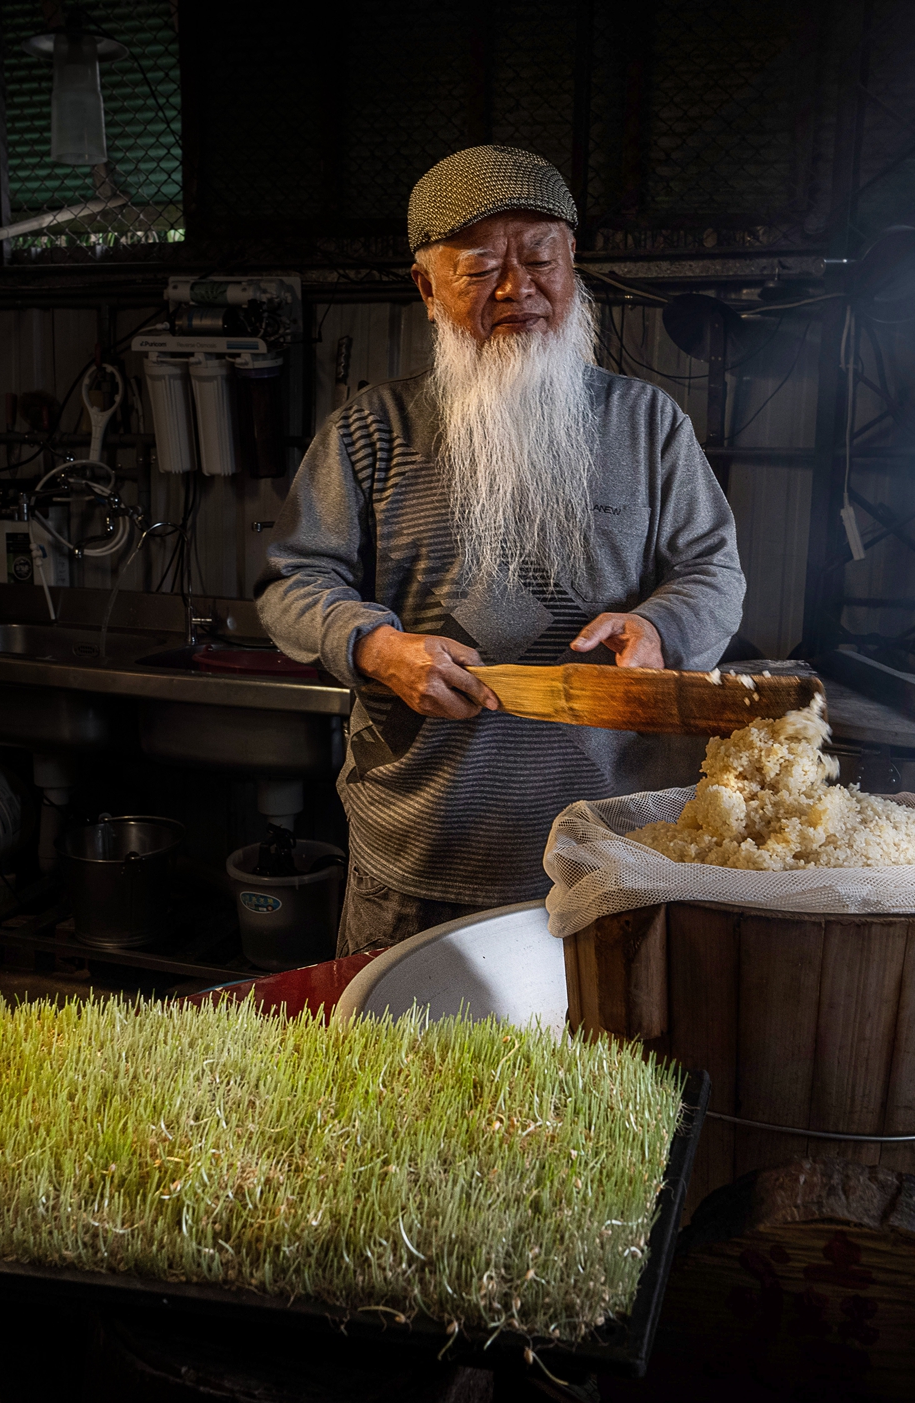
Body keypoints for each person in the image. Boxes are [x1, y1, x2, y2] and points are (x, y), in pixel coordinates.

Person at [258, 145, 745, 955]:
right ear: (426, 288)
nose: (519, 289)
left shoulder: (646, 423)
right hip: (423, 854)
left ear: (573, 263)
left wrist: (661, 629)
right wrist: (377, 646)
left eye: (540, 258)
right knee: (404, 1072)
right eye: (480, 268)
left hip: (612, 851)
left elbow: (712, 569)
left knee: (599, 1074)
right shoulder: (372, 431)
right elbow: (292, 581)